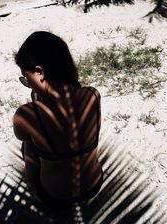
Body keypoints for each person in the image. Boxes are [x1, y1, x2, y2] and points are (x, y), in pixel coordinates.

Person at [13, 31, 103, 209]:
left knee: (29, 142)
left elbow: (20, 134)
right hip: (94, 185)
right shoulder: (92, 94)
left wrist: (34, 108)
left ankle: (34, 191)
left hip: (54, 196)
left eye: (26, 78)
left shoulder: (27, 114)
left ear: (39, 72)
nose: (28, 84)